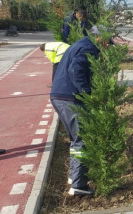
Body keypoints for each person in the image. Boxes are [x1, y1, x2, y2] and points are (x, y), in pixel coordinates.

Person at [50, 26, 104, 196]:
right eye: (107, 42)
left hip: (60, 95)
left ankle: (74, 178)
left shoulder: (81, 43)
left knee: (76, 139)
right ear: (99, 38)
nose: (107, 47)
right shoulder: (89, 48)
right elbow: (76, 69)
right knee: (82, 139)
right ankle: (79, 185)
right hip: (69, 97)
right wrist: (87, 93)